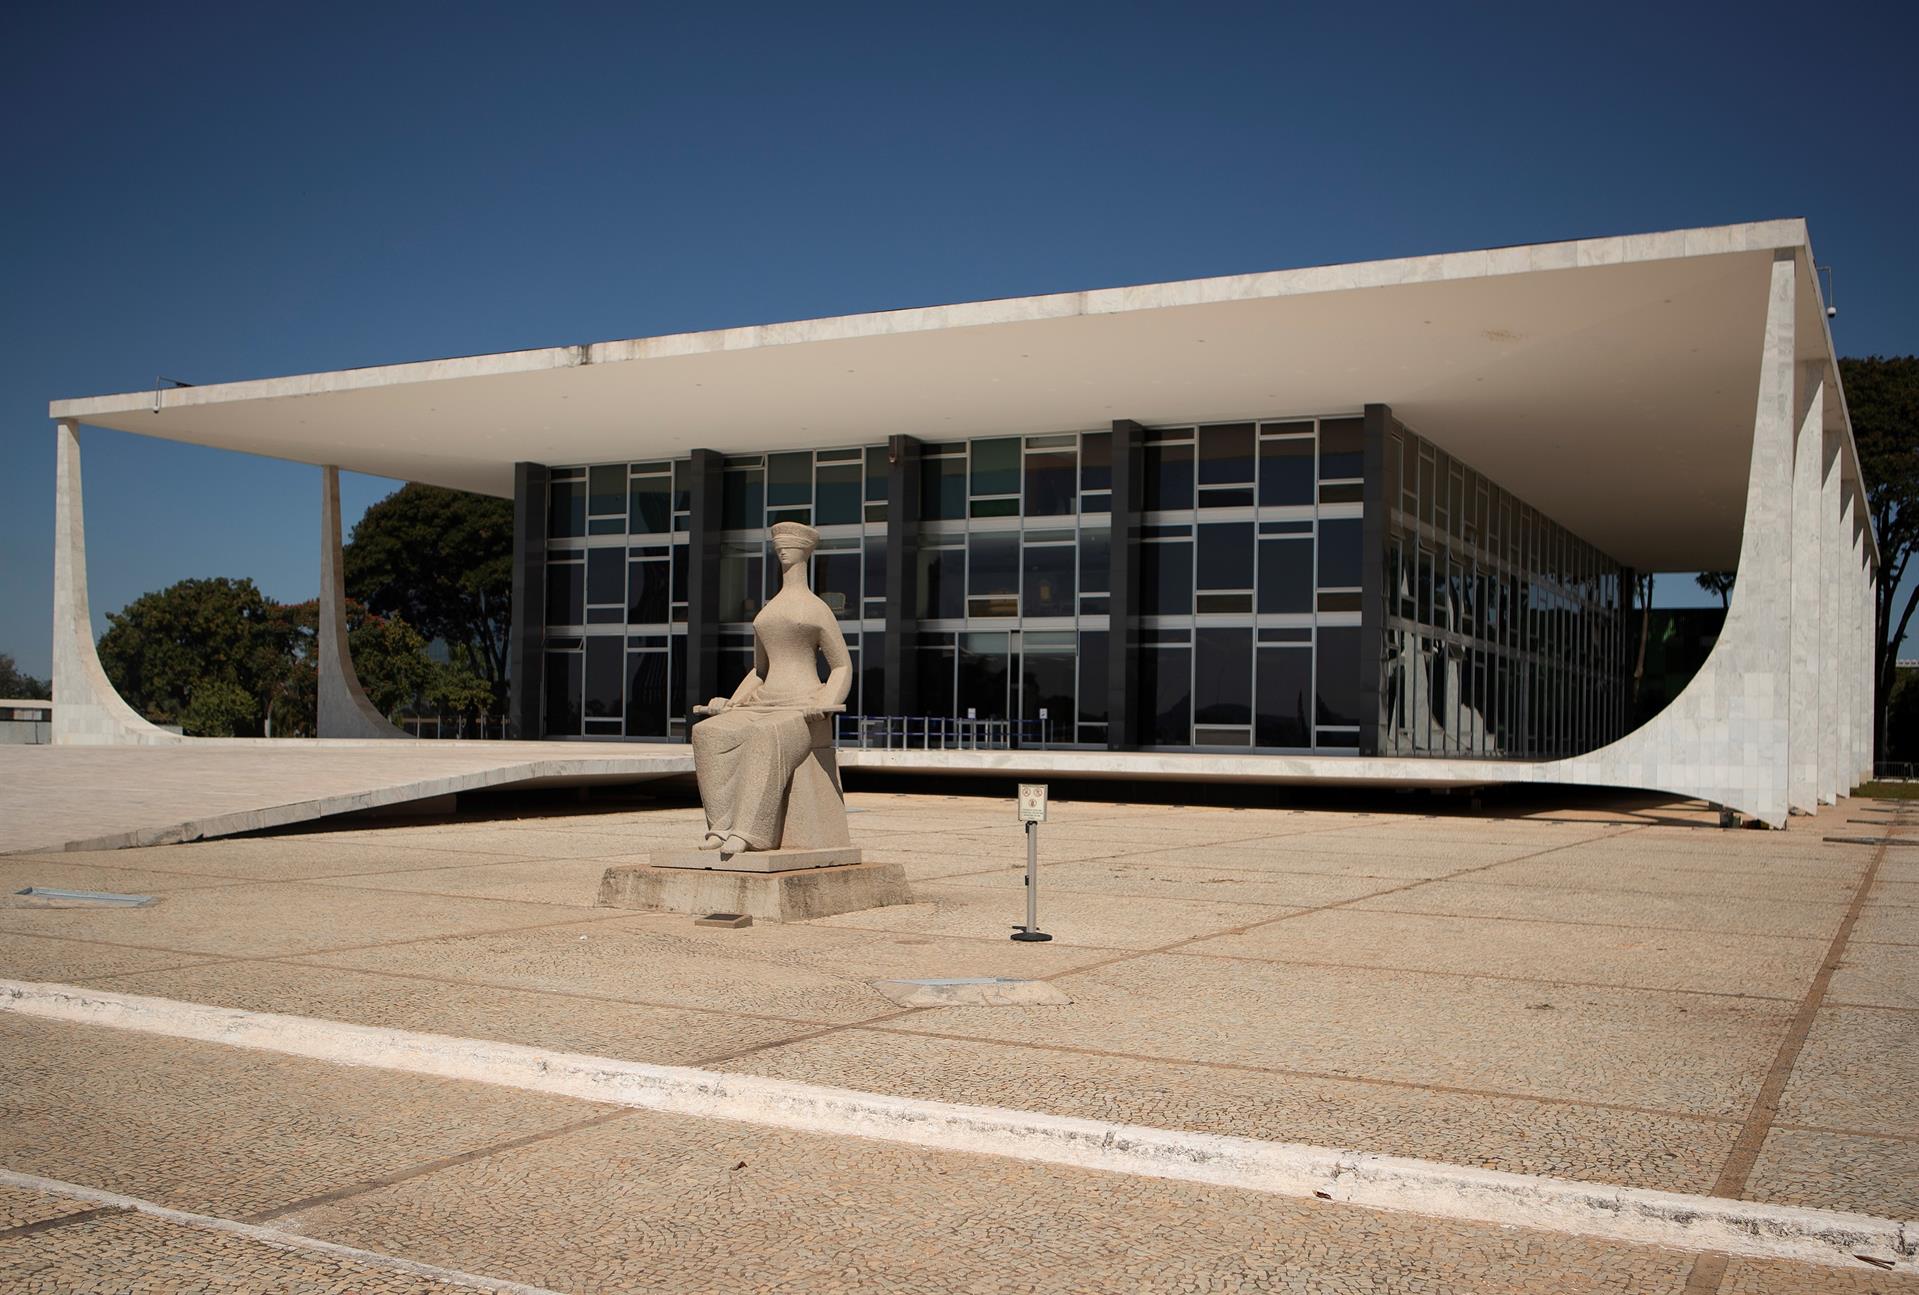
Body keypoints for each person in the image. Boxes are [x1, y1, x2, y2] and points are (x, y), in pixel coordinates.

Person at [691, 521, 851, 852]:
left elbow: (842, 666)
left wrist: (825, 702)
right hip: (763, 702)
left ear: (805, 551)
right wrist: (733, 702)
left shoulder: (817, 609)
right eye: (778, 545)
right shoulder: (769, 609)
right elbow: (760, 670)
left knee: (765, 735)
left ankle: (751, 832)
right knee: (709, 733)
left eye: (789, 545)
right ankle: (721, 827)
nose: (782, 550)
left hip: (802, 707)